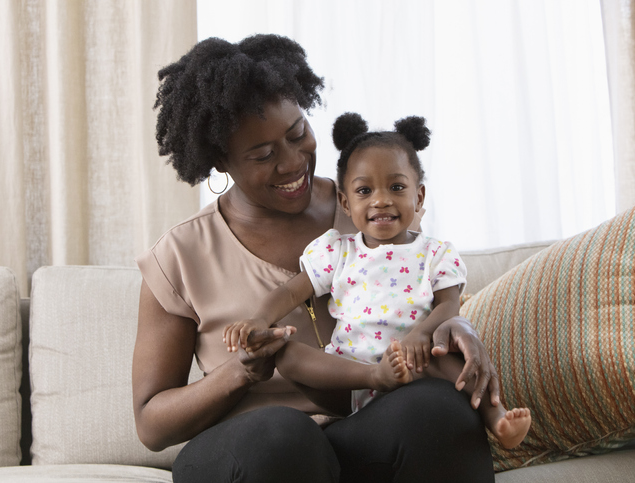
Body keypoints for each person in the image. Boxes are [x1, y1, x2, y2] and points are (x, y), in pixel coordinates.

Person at [133, 33, 499, 483]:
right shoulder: (181, 255)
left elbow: (427, 304)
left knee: (437, 410)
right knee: (283, 436)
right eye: (264, 154)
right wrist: (239, 372)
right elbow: (151, 423)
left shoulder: (370, 208)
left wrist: (459, 326)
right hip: (251, 448)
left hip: (365, 429)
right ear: (221, 162)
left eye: (298, 134)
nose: (292, 163)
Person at [223, 112, 531, 450]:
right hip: (352, 369)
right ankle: (375, 380)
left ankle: (496, 417)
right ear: (345, 201)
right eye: (365, 190)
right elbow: (290, 291)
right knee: (287, 355)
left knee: (452, 359)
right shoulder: (338, 251)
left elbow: (449, 304)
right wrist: (258, 320)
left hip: (416, 358)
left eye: (396, 187)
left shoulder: (434, 253)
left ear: (419, 197)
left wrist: (422, 334)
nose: (381, 200)